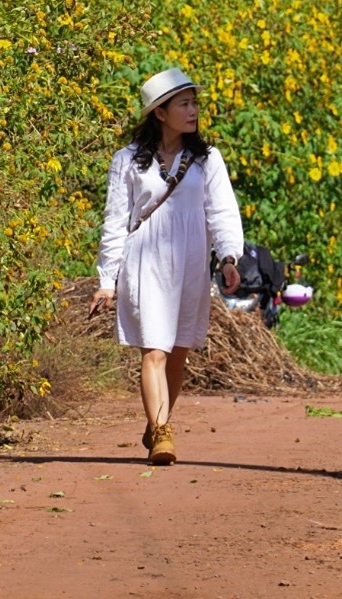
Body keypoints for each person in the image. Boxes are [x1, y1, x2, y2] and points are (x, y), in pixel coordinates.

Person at [90, 67, 243, 465]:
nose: (193, 111)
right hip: (145, 260)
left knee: (177, 352)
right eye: (184, 104)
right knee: (154, 349)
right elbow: (115, 219)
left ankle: (158, 421)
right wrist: (107, 279)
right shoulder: (127, 161)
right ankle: (161, 432)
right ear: (160, 112)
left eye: (194, 103)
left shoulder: (207, 159)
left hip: (191, 262)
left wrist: (228, 258)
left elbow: (222, 211)